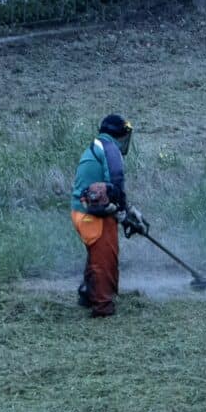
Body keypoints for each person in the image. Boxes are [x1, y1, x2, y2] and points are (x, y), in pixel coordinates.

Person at [70, 114, 134, 317]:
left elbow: (110, 189)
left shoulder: (99, 145)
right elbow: (116, 178)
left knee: (97, 256)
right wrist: (123, 211)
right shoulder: (109, 147)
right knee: (104, 260)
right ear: (121, 135)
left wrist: (127, 211)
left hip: (83, 210)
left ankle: (88, 294)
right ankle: (102, 306)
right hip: (91, 215)